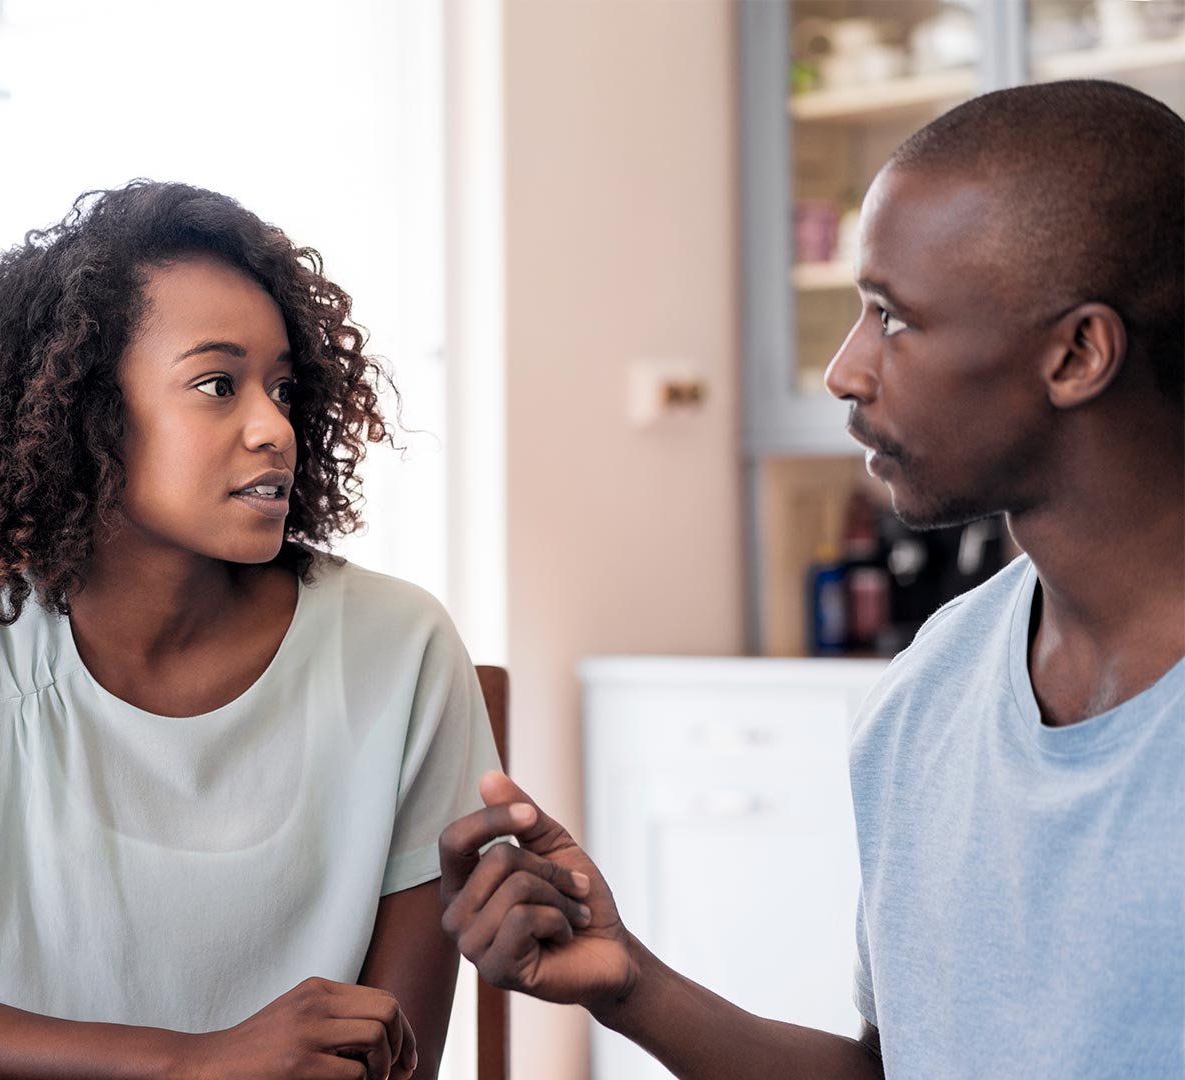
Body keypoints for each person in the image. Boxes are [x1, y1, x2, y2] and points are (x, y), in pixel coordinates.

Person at [438, 79, 1185, 1078]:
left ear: (1078, 352)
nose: (845, 369)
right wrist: (632, 987)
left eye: (893, 317)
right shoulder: (929, 696)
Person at [0, 180, 500, 1080]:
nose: (275, 428)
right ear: (87, 413)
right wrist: (195, 1063)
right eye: (217, 385)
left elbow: (397, 1064)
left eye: (281, 387)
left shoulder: (403, 649)